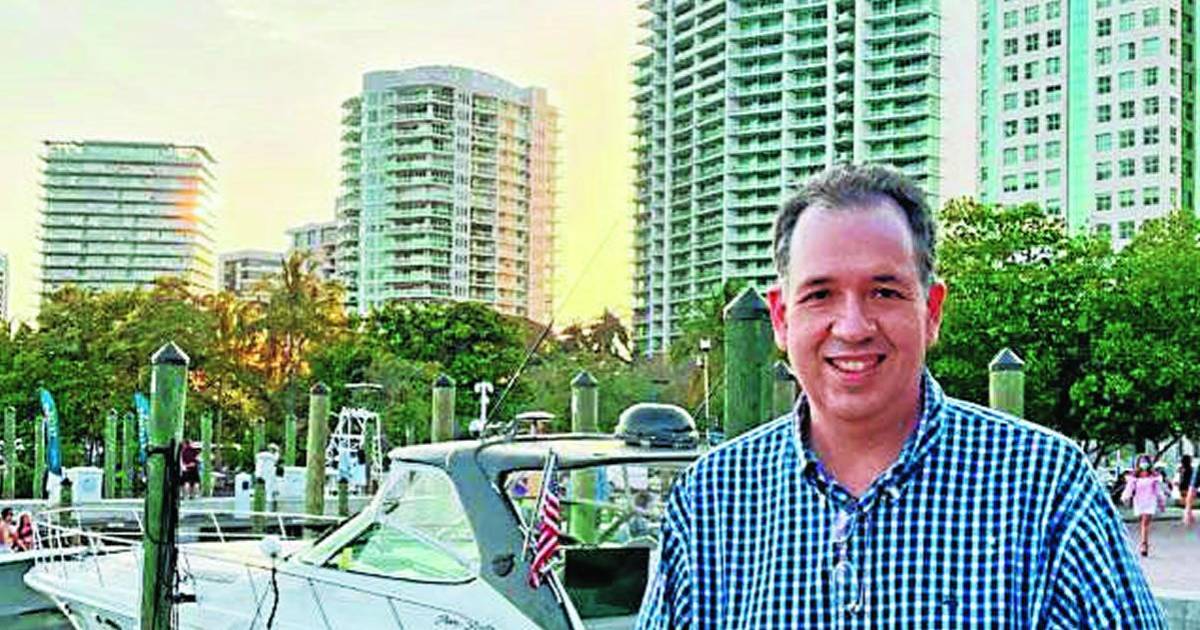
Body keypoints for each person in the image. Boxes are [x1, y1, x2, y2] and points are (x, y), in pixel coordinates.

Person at [637, 164, 1165, 627]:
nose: (853, 326)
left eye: (884, 292)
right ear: (781, 317)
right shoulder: (710, 502)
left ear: (931, 311)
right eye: (820, 294)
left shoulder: (1047, 488)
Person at [1123, 454, 1167, 556]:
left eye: (1145, 461)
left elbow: (1158, 490)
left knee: (1145, 523)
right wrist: (1125, 497)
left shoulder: (1154, 477)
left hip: (1150, 501)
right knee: (1143, 523)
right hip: (1139, 501)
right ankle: (1144, 542)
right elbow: (1129, 488)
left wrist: (1162, 501)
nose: (1144, 464)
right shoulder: (1134, 477)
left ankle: (1144, 545)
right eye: (1142, 461)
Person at [1179, 454, 1196, 527]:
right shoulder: (1191, 469)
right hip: (1189, 487)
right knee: (1188, 503)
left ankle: (1188, 518)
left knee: (1186, 503)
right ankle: (1190, 517)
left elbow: (1181, 478)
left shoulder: (1182, 469)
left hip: (1184, 487)